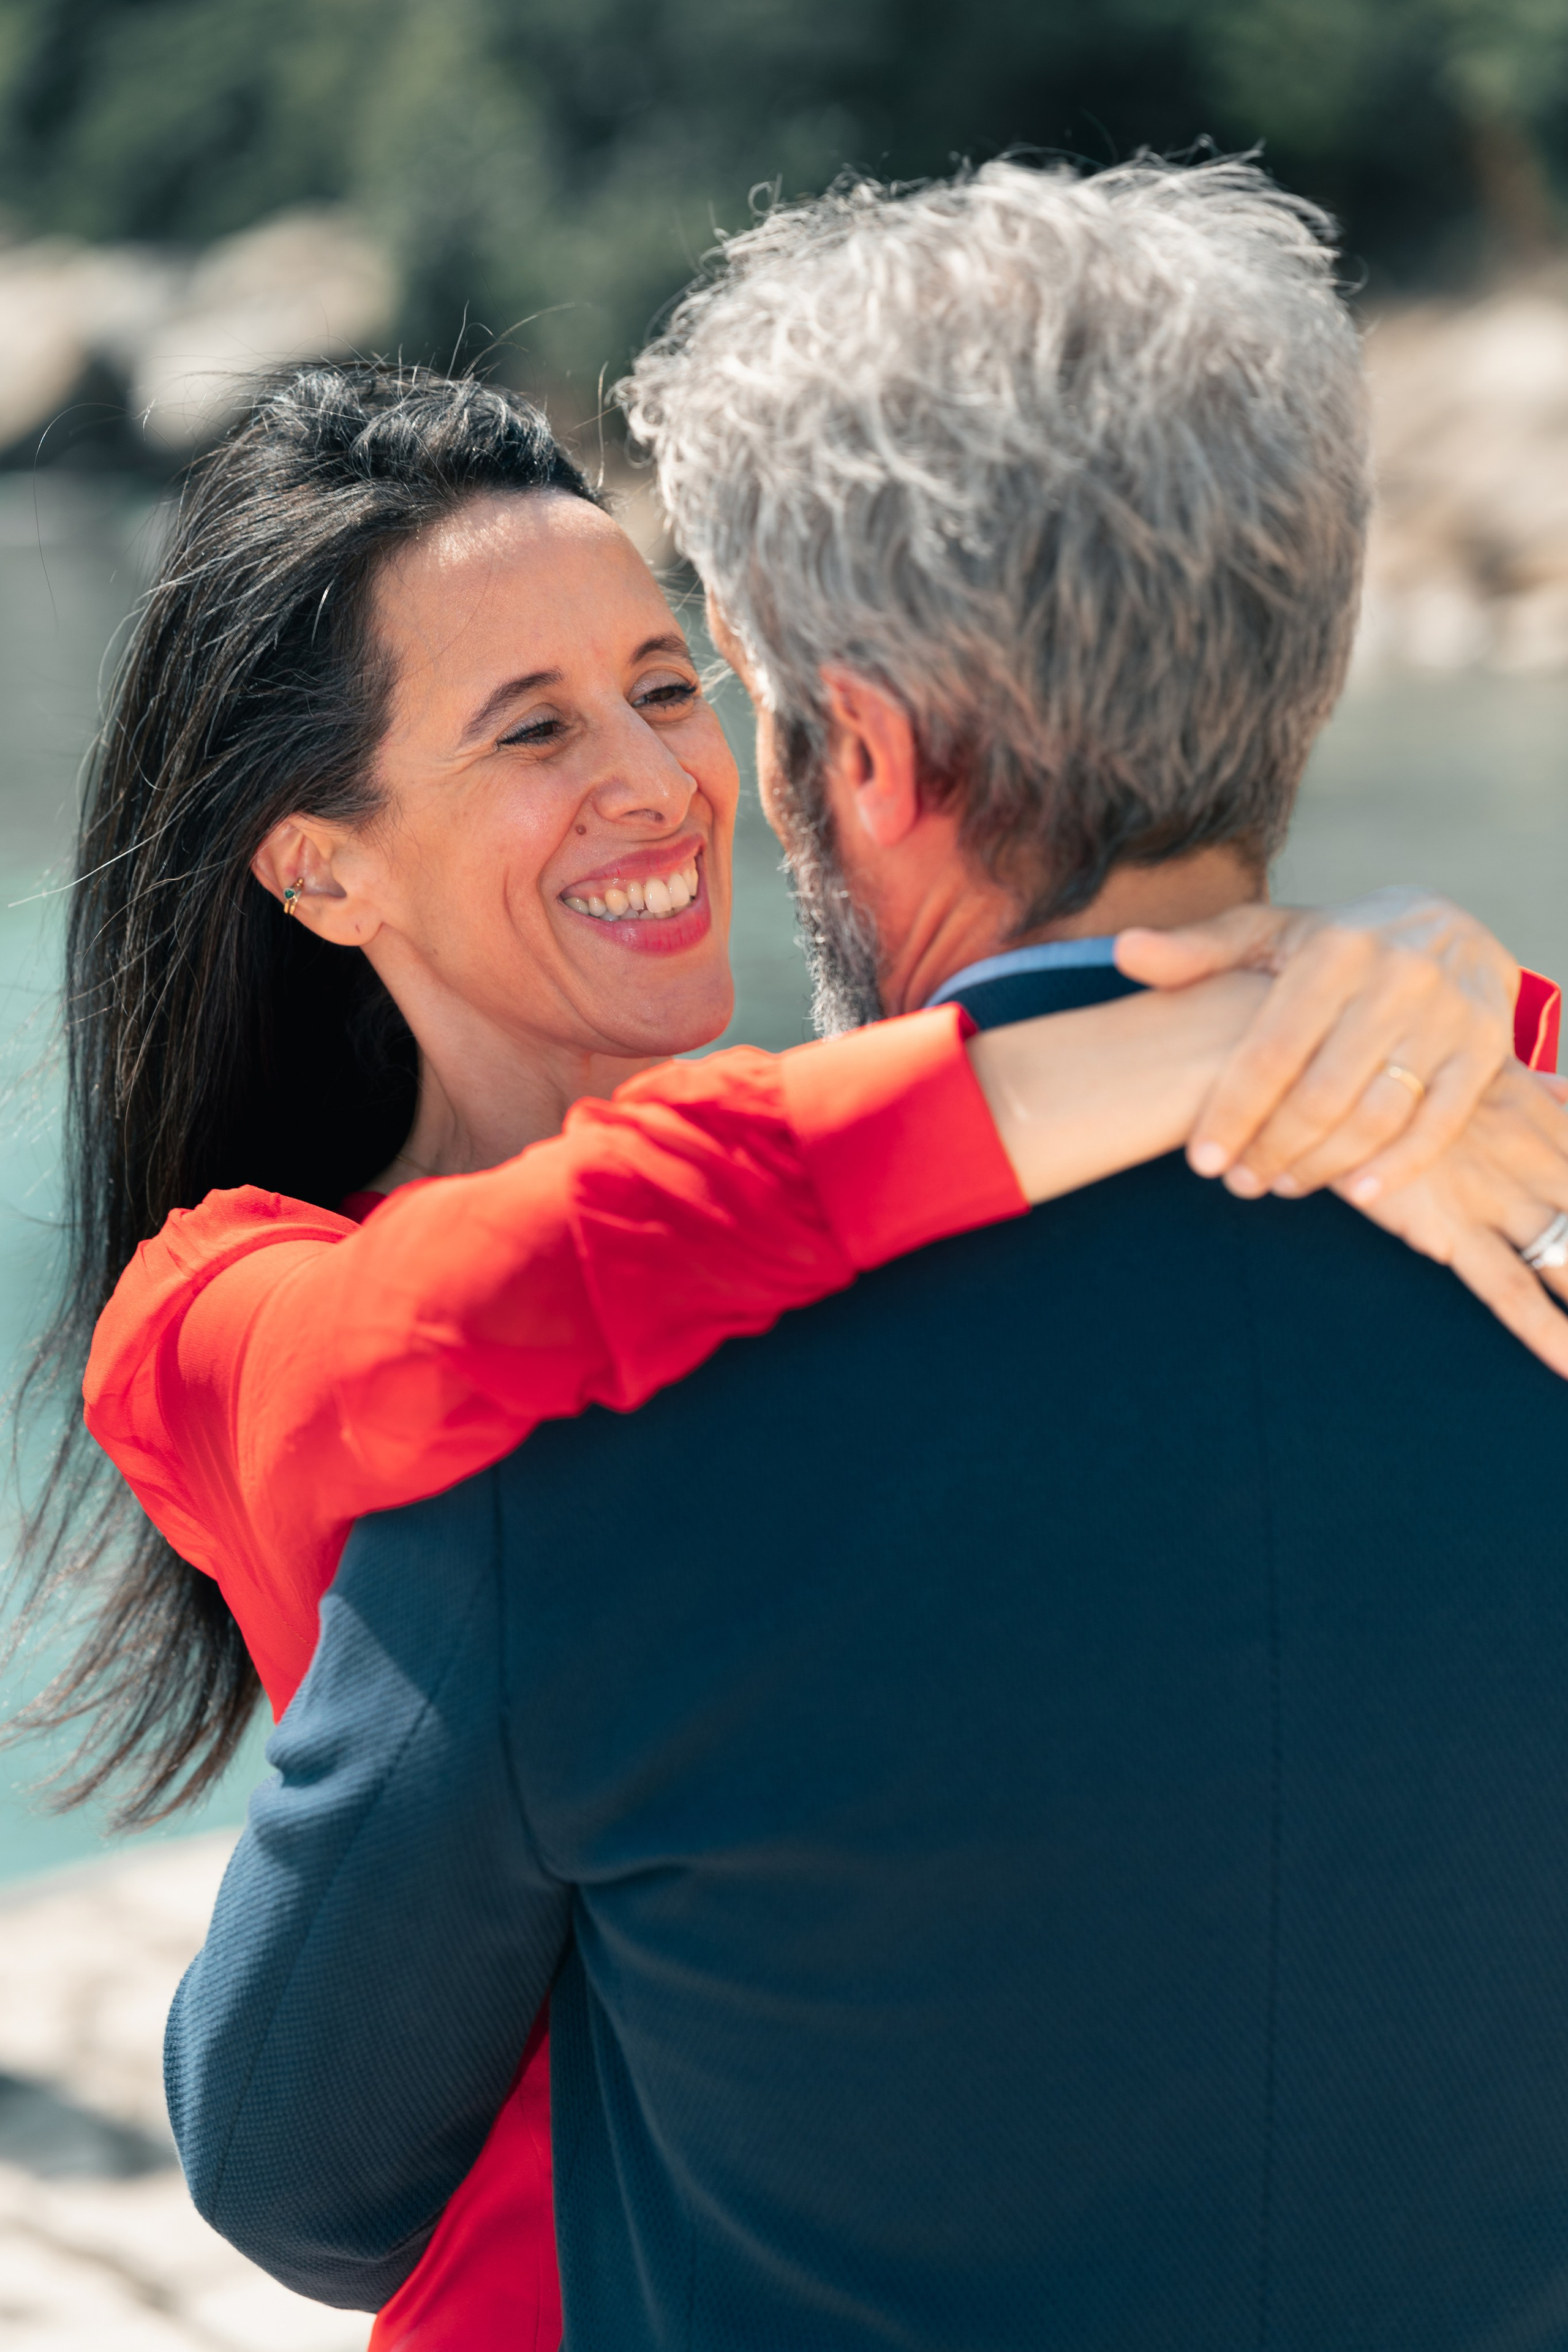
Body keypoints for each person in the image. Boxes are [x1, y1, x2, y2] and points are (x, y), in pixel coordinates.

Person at [164, 159, 1568, 2348]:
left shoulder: (576, 1465)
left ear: (872, 758)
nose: (663, 774)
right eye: (534, 725)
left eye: (690, 680)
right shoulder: (1525, 1196)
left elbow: (297, 2178)